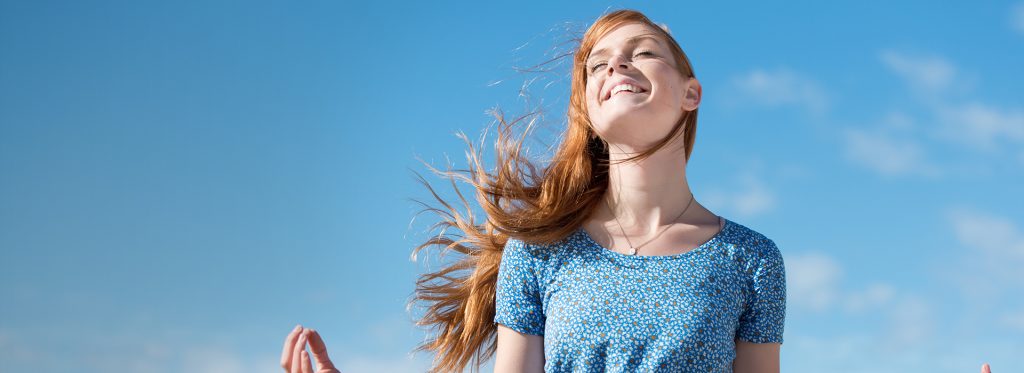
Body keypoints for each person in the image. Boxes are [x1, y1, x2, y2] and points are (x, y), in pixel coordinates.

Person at [279, 9, 995, 373]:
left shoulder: (752, 260)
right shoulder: (540, 254)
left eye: (641, 50)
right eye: (597, 63)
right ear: (588, 108)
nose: (617, 64)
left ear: (691, 92)